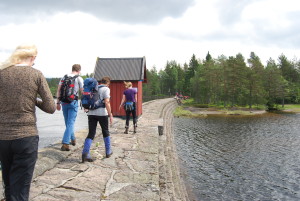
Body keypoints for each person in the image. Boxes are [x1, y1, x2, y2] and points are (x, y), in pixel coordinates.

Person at [0, 44, 56, 201]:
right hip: (26, 137)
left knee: (9, 185)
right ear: (33, 58)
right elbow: (51, 107)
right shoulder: (36, 74)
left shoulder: (2, 73)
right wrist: (34, 100)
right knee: (21, 190)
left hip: (3, 138)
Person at [82, 77, 113, 162]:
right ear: (107, 83)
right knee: (105, 131)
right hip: (102, 113)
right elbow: (107, 102)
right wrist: (110, 114)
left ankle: (85, 153)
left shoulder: (93, 89)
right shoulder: (106, 89)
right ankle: (108, 151)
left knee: (91, 133)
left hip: (91, 113)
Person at [56, 64, 83, 151]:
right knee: (70, 123)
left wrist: (57, 102)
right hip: (73, 102)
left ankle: (73, 139)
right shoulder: (79, 78)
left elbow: (59, 90)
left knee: (68, 123)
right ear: (79, 70)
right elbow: (82, 91)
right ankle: (65, 143)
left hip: (64, 102)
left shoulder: (64, 77)